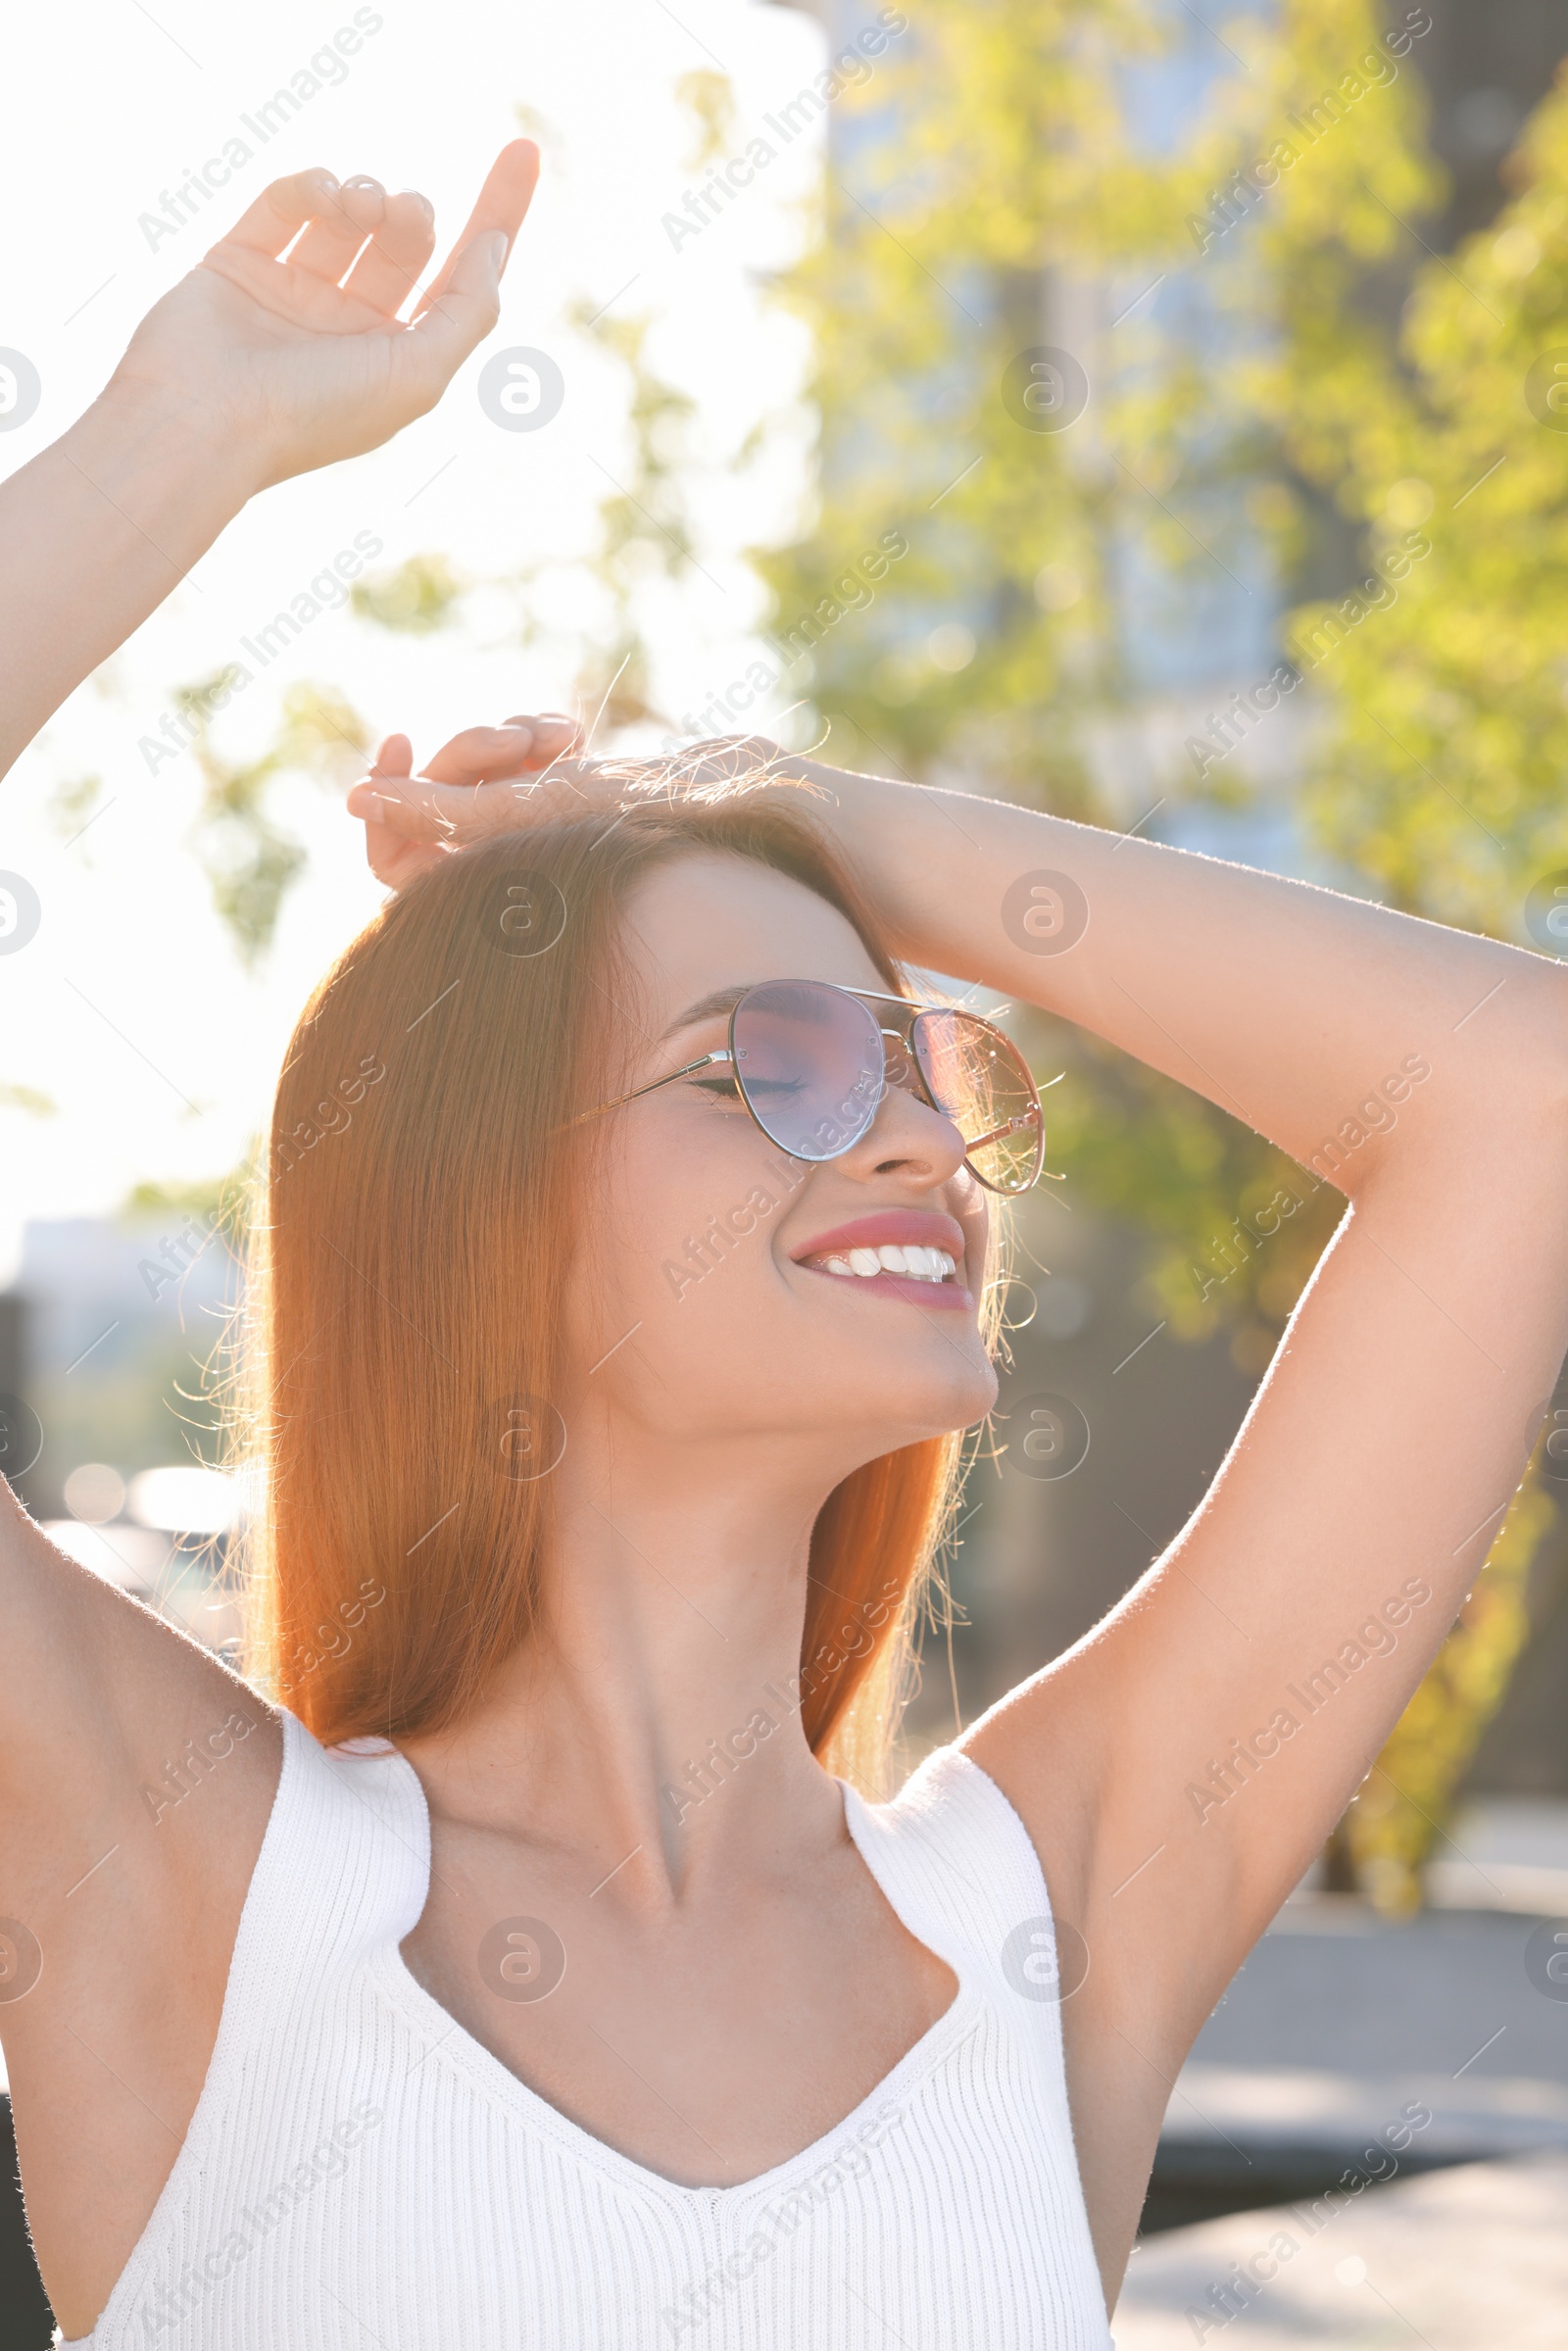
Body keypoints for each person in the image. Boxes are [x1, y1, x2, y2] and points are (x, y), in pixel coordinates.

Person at [2, 140, 1565, 2351]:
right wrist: (187, 439)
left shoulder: (1039, 1918)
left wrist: (771, 809)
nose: (922, 1141)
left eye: (929, 1068)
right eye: (788, 1069)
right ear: (490, 1218)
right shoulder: (191, 1884)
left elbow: (1516, 1098)